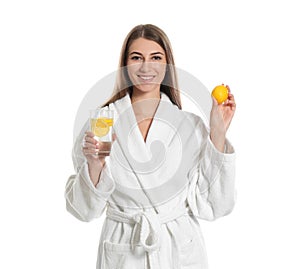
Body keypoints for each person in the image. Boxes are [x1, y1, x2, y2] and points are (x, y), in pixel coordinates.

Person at [65, 24, 236, 269]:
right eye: (136, 58)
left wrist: (218, 132)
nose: (146, 67)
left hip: (179, 251)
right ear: (125, 65)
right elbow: (84, 211)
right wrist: (95, 165)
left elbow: (214, 205)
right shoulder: (102, 121)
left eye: (156, 57)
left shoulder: (190, 126)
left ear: (167, 65)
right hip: (124, 251)